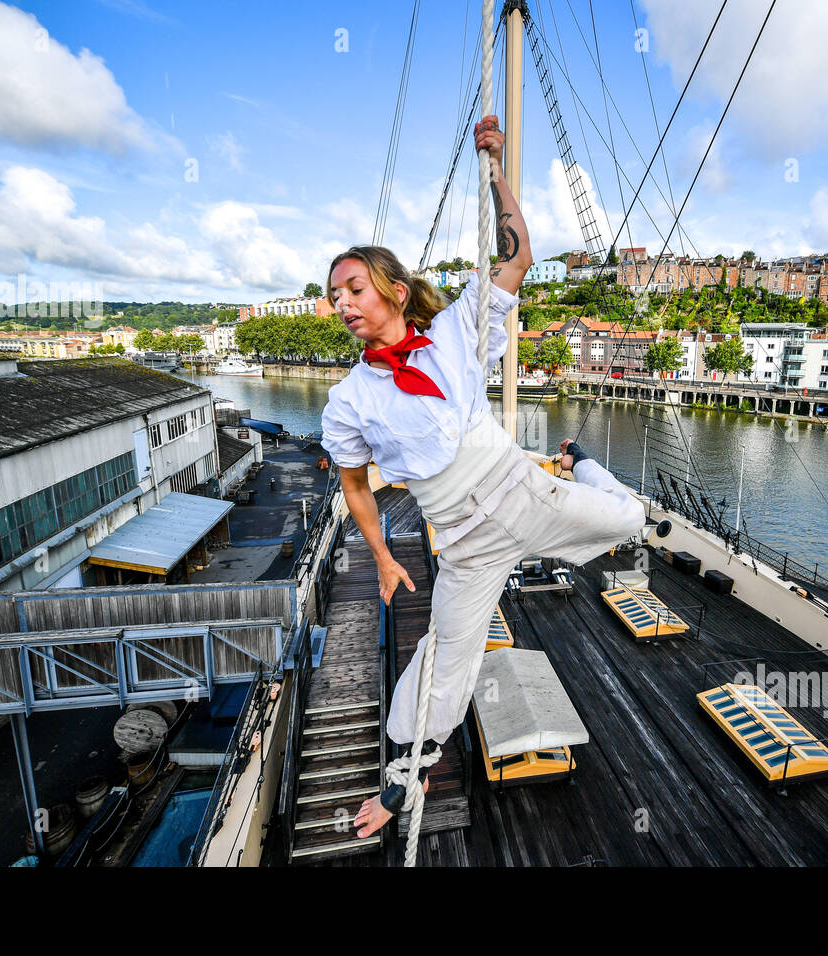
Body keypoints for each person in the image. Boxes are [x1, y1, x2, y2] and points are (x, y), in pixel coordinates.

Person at [320, 115, 646, 839]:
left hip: (527, 494)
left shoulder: (456, 331)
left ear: (396, 291)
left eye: (352, 287)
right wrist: (379, 558)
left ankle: (583, 462)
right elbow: (355, 489)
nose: (339, 302)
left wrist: (494, 166)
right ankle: (402, 785)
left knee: (633, 520)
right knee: (443, 666)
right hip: (464, 541)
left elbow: (519, 255)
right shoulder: (349, 402)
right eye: (332, 293)